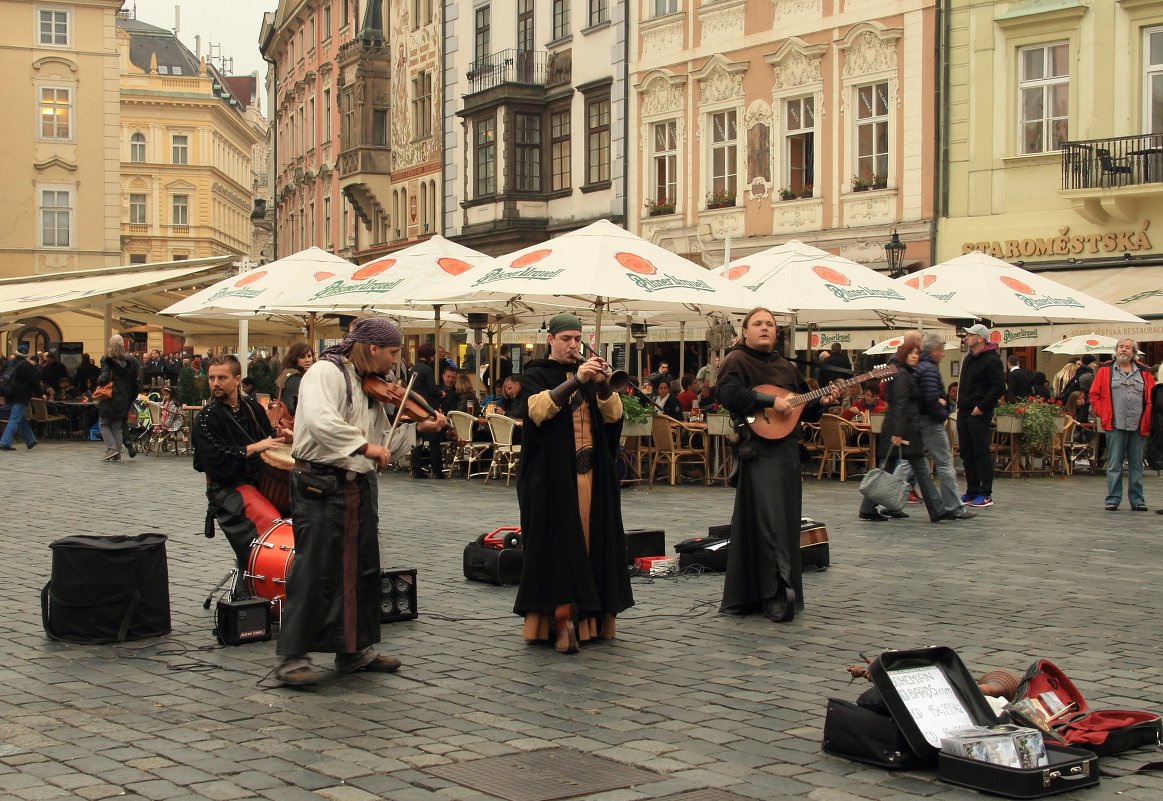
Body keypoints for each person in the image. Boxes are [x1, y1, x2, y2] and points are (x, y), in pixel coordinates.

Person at [277, 317, 442, 686]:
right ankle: (292, 657)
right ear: (372, 349)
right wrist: (362, 445)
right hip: (320, 482)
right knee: (315, 570)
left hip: (359, 485)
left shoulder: (372, 387)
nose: (395, 363)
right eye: (393, 353)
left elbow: (384, 443)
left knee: (362, 570)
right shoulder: (324, 372)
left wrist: (416, 429)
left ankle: (354, 650)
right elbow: (321, 421)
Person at [515, 312, 633, 654]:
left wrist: (602, 384)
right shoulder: (535, 373)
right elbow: (536, 410)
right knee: (559, 543)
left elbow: (613, 417)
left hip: (592, 473)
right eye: (566, 339)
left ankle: (593, 618)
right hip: (552, 476)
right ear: (550, 340)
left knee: (594, 539)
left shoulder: (591, 377)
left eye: (577, 339)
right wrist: (575, 381)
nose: (572, 345)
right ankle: (558, 617)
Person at [717, 308, 833, 623]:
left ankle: (778, 591)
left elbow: (799, 410)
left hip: (786, 452)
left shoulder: (784, 366)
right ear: (744, 331)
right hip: (758, 450)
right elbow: (727, 394)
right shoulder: (736, 360)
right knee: (766, 522)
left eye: (770, 324)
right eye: (758, 323)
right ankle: (771, 593)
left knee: (785, 521)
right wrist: (769, 402)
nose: (765, 328)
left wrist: (820, 403)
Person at [192, 356, 288, 593]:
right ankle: (257, 594)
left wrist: (285, 436)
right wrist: (250, 449)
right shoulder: (206, 418)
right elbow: (214, 461)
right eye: (212, 378)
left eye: (222, 378)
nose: (215, 383)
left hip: (259, 482)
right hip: (228, 489)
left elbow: (268, 440)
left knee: (299, 514)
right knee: (271, 525)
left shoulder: (252, 408)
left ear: (236, 380)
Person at [858, 342, 946, 523]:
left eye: (917, 353)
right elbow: (899, 403)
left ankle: (867, 507)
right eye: (911, 353)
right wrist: (898, 433)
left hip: (901, 428)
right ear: (904, 354)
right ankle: (937, 510)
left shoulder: (898, 372)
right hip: (903, 429)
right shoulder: (902, 374)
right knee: (918, 469)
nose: (915, 356)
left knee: (887, 468)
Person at [893, 334, 976, 521]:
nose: (944, 355)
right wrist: (942, 412)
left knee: (909, 464)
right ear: (934, 350)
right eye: (942, 351)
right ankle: (953, 506)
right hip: (930, 422)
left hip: (916, 421)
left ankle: (886, 499)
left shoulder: (917, 367)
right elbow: (931, 399)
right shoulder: (929, 369)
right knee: (945, 464)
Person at [1089, 338, 1154, 512]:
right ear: (1116, 350)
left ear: (1133, 352)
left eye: (1127, 348)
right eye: (1120, 347)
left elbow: (1152, 397)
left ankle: (1137, 500)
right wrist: (1103, 413)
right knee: (1114, 464)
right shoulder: (1105, 370)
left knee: (1136, 465)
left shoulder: (1144, 372)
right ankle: (1113, 499)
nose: (1123, 350)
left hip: (1138, 424)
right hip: (1115, 423)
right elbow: (1094, 395)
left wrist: (1149, 418)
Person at [956, 324, 1005, 508]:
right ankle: (972, 490)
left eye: (970, 335)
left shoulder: (992, 360)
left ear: (980, 338)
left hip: (978, 411)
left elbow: (999, 386)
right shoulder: (969, 358)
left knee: (981, 452)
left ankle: (986, 493)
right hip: (965, 409)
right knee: (967, 452)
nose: (966, 337)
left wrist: (982, 406)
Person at [96, 335, 140, 463]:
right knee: (116, 425)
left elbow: (104, 378)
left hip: (111, 397)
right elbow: (135, 382)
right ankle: (117, 454)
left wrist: (98, 380)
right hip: (125, 397)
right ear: (123, 345)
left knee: (103, 423)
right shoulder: (131, 361)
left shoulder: (108, 360)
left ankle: (111, 448)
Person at [410, 343, 444, 479]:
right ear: (430, 356)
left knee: (417, 437)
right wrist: (441, 393)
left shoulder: (413, 368)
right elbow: (432, 389)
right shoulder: (427, 370)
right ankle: (437, 470)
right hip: (427, 406)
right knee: (434, 440)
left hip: (414, 406)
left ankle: (416, 469)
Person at [0, 344, 41, 451]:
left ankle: (30, 440)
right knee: (14, 418)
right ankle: (5, 442)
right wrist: (40, 394)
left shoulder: (8, 363)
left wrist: (2, 394)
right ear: (27, 354)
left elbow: (2, 378)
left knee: (21, 418)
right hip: (21, 395)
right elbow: (34, 382)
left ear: (16, 352)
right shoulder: (28, 366)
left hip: (8, 394)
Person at [276, 342, 314, 417]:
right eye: (302, 357)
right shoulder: (294, 377)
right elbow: (294, 407)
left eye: (309, 356)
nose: (307, 360)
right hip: (293, 422)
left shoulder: (287, 372)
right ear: (295, 359)